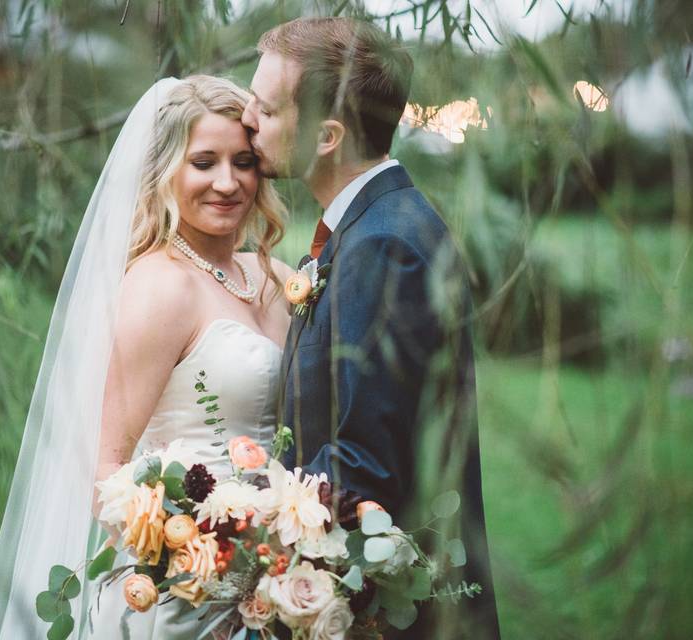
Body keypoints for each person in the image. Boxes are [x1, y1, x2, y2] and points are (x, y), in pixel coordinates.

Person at [0, 75, 293, 639]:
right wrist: (185, 564)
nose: (227, 182)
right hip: (185, 600)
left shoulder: (277, 279)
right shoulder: (160, 287)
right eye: (203, 162)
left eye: (243, 161)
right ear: (166, 170)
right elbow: (105, 466)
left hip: (280, 580)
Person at [242, 17, 502, 638]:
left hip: (386, 616)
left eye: (266, 108)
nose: (246, 118)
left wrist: (232, 522)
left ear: (327, 135)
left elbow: (365, 466)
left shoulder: (384, 244)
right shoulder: (369, 226)